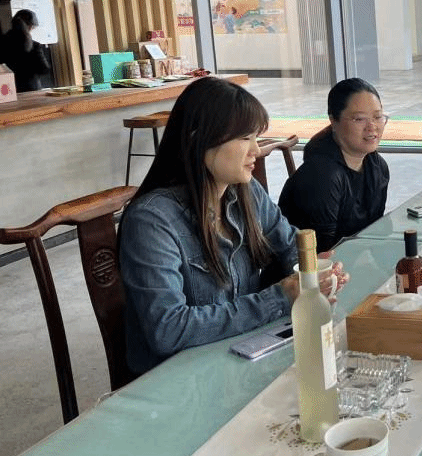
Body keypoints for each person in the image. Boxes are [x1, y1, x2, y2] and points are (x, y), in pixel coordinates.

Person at [119, 77, 347, 375]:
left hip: (239, 357)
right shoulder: (152, 221)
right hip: (180, 378)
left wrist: (314, 271)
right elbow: (168, 329)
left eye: (256, 137)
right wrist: (279, 297)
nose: (256, 150)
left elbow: (289, 245)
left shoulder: (246, 192)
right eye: (244, 138)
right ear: (200, 140)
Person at [279, 78, 390, 252]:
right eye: (359, 119)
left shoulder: (377, 166)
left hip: (350, 260)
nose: (372, 127)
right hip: (308, 266)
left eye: (377, 117)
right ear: (333, 121)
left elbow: (374, 234)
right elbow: (321, 253)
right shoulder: (322, 175)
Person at [1, 9, 50, 92]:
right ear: (31, 26)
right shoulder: (34, 46)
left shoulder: (2, 42)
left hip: (6, 90)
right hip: (30, 90)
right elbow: (44, 69)